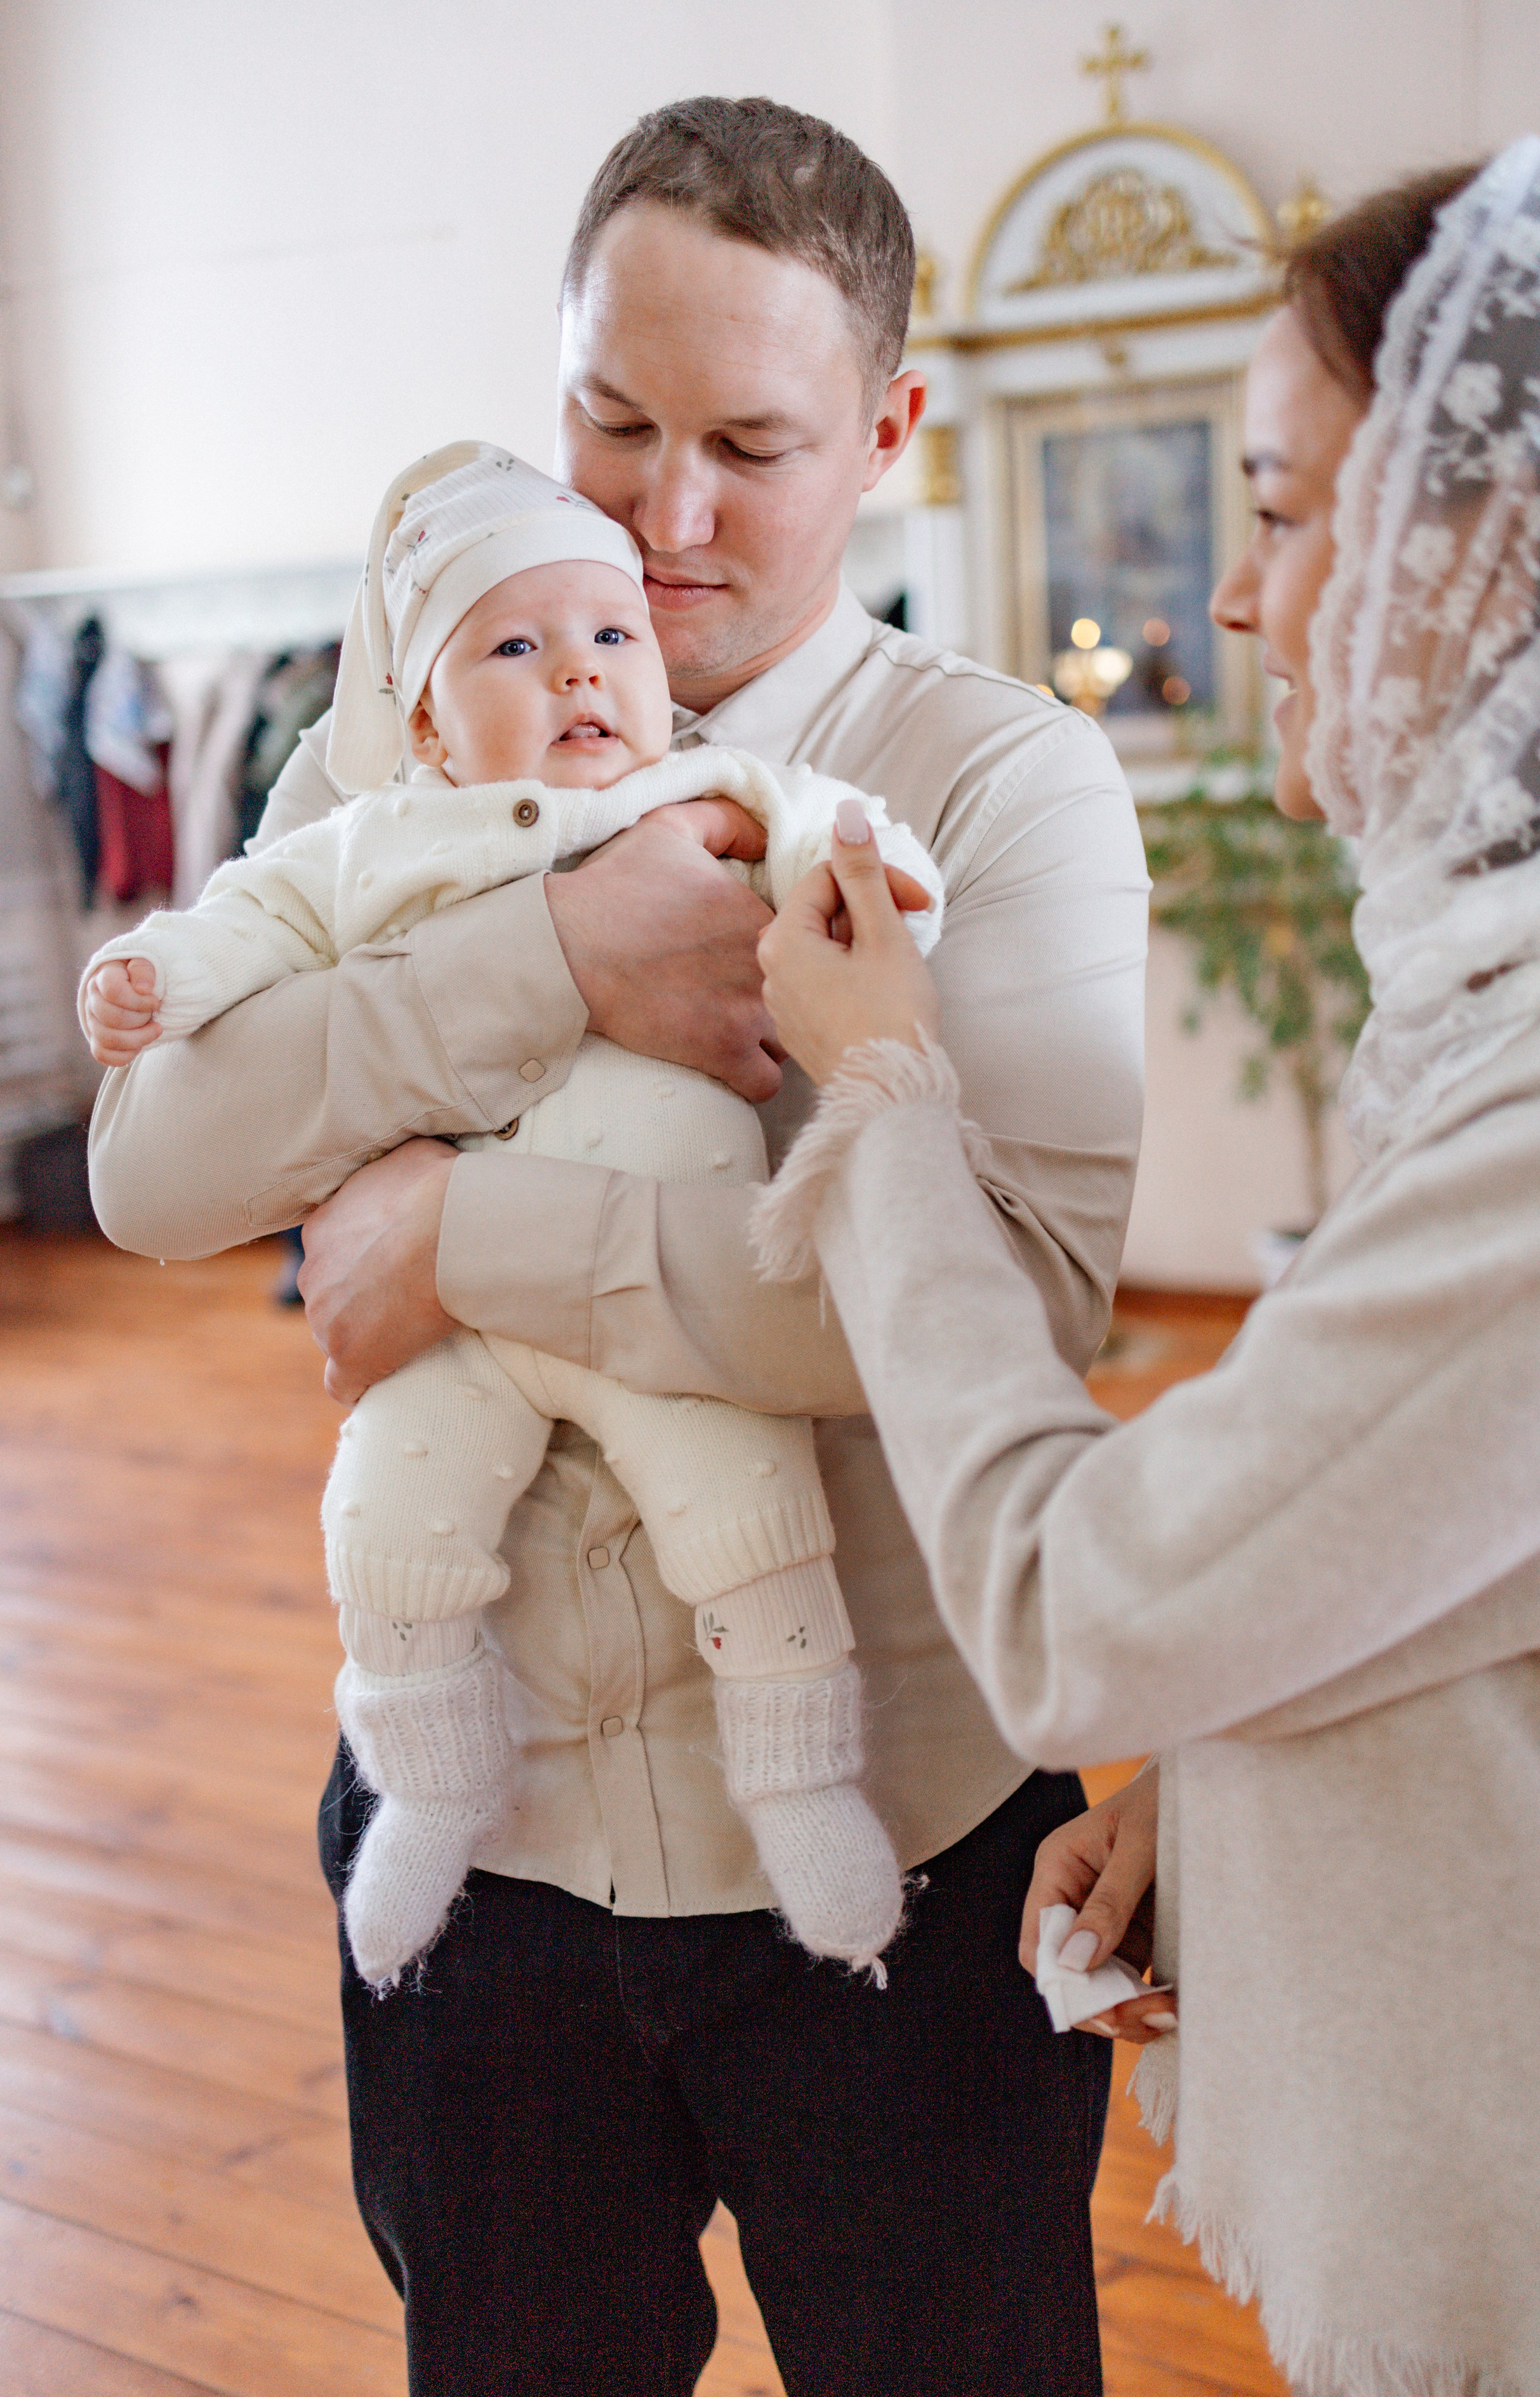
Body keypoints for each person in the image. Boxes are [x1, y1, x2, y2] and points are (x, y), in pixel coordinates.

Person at [87, 100, 1149, 2395]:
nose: (667, 522)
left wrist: (462, 1228)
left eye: (751, 446)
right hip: (482, 1858)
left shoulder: (997, 787)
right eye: (614, 420)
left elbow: (999, 1305)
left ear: (890, 431)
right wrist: (555, 954)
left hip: (903, 1844)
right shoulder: (404, 731)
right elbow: (153, 1175)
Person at [756, 140, 1540, 2397]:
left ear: (1492, 553)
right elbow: (1488, 1559)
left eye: (1283, 509)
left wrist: (885, 1099)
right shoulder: (1513, 982)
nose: (1236, 599)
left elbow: (1080, 1609)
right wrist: (1217, 1795)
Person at [79, 442, 946, 1990]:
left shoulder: (701, 789)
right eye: (516, 649)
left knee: (749, 1519)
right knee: (382, 1529)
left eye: (609, 636)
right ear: (426, 720)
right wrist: (160, 976)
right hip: (449, 1331)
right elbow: (251, 922)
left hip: (666, 1289)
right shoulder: (371, 835)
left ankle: (800, 1784)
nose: (579, 675)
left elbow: (828, 826)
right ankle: (428, 1783)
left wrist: (880, 884)